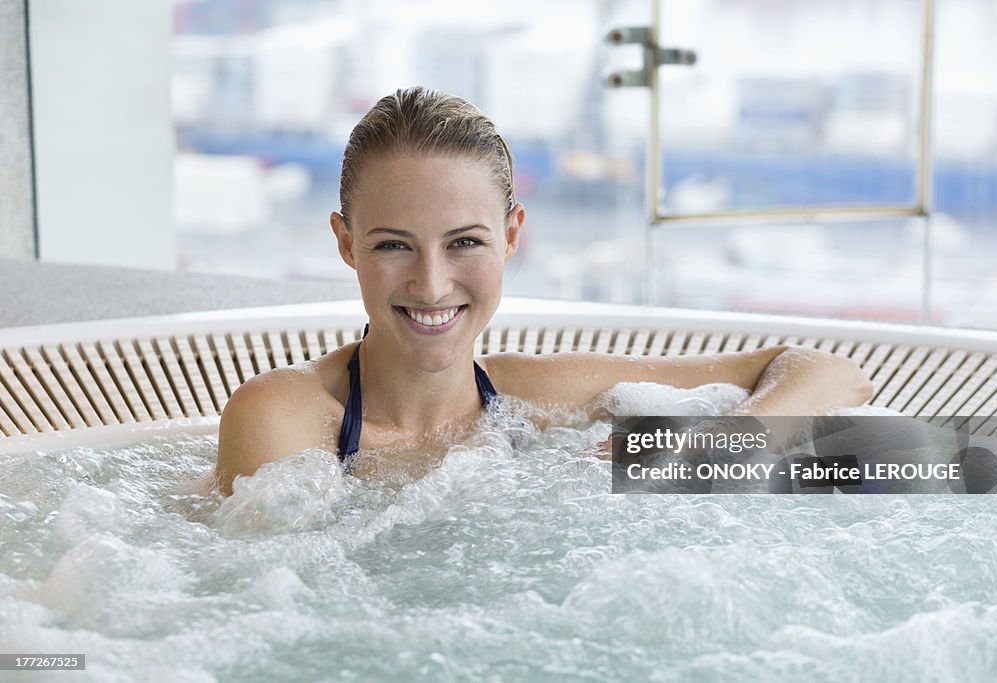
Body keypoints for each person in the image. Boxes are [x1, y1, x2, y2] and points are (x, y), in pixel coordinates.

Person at [214, 86, 872, 496]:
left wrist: (681, 452)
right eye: (393, 244)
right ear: (346, 242)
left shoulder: (536, 395)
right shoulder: (287, 416)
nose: (432, 283)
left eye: (465, 242)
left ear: (511, 235)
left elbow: (824, 372)